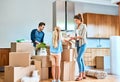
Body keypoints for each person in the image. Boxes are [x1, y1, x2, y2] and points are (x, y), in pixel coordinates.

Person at [70, 13, 87, 81]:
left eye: (76, 20)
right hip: (77, 44)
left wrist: (74, 37)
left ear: (80, 20)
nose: (75, 22)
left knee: (78, 58)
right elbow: (76, 36)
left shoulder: (84, 26)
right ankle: (83, 73)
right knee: (81, 59)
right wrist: (72, 38)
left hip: (83, 44)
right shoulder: (76, 27)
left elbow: (82, 36)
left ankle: (80, 75)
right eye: (75, 21)